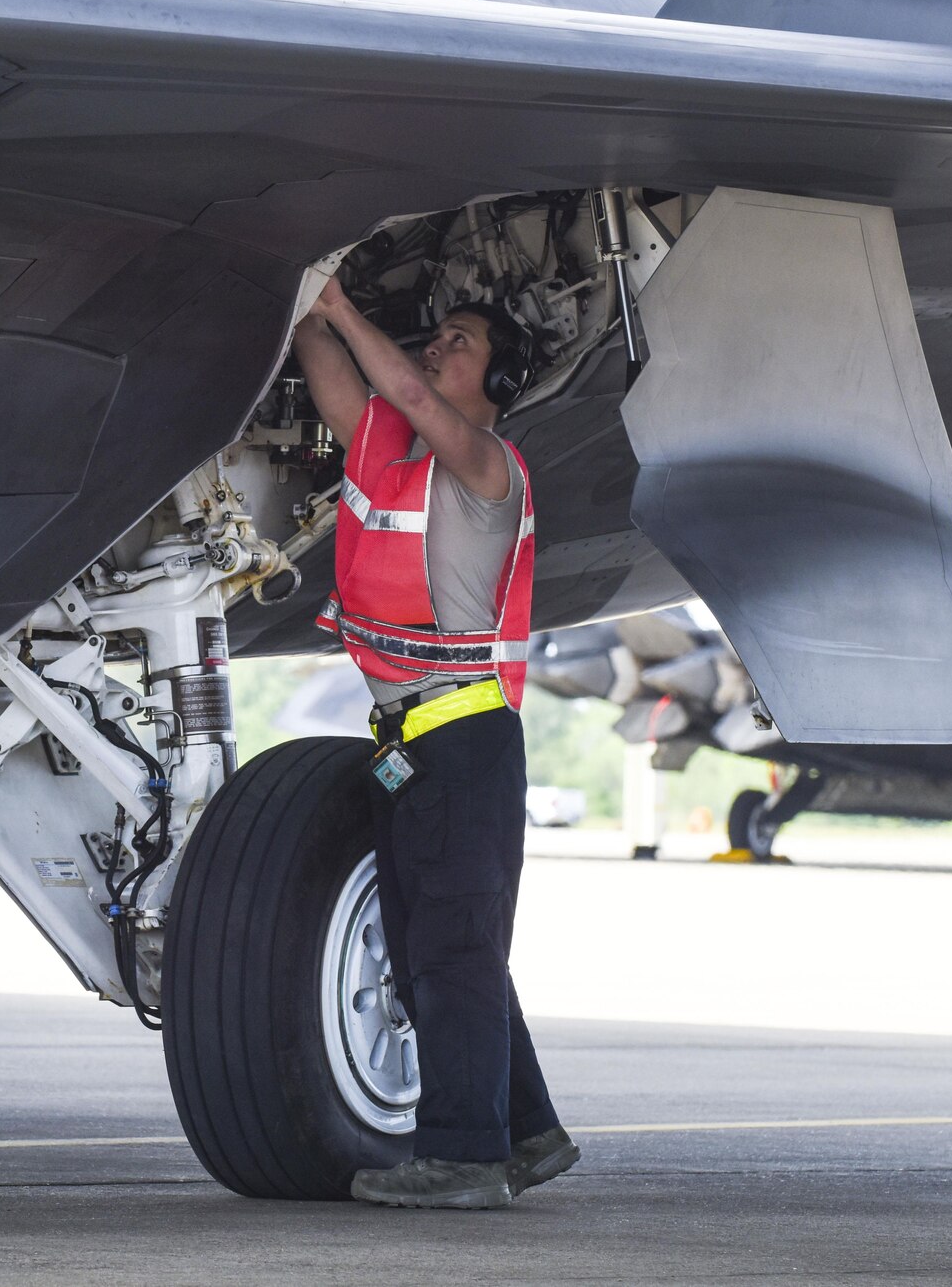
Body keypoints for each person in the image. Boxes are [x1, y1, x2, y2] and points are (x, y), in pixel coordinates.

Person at [292, 276, 579, 1210]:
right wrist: (300, 310)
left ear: (497, 381)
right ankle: (526, 1133)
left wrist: (338, 299)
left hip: (462, 743)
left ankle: (461, 1159)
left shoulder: (488, 464)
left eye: (457, 342)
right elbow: (345, 390)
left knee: (451, 951)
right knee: (439, 951)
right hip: (407, 743)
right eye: (438, 336)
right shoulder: (393, 462)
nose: (434, 350)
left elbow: (408, 398)